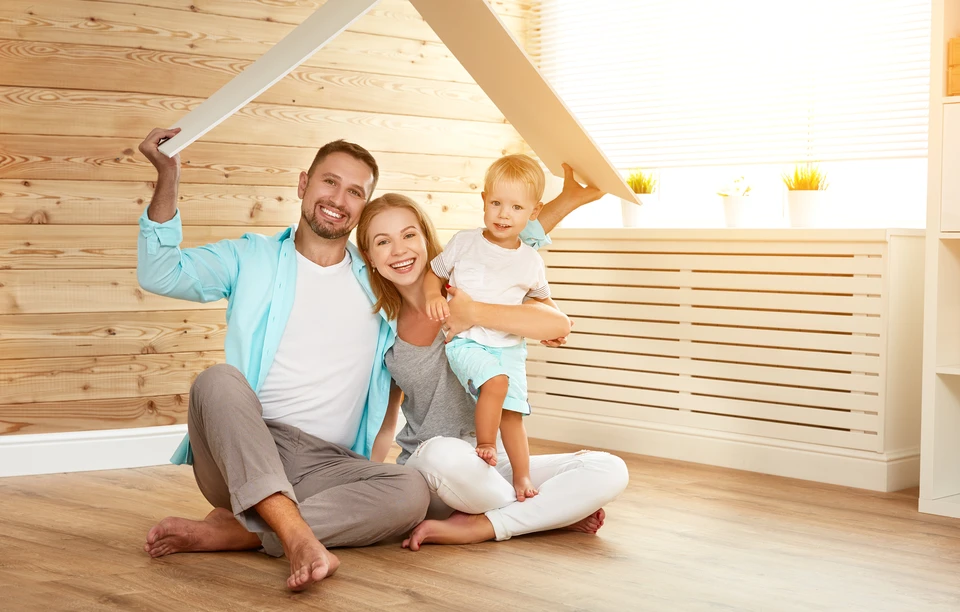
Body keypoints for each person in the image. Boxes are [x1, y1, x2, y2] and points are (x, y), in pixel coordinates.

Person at [133, 127, 609, 590]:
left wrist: (520, 307)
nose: (339, 199)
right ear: (304, 184)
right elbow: (161, 272)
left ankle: (244, 531)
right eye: (329, 182)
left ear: (363, 211)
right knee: (216, 381)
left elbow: (503, 248)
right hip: (248, 449)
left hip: (333, 468)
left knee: (409, 491)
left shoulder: (384, 282)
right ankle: (294, 535)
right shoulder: (251, 258)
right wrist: (168, 175)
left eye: (354, 192)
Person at [357, 192, 630, 550]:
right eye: (383, 242)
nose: (399, 250)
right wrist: (367, 479)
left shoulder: (473, 285)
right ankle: (546, 515)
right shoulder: (382, 328)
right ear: (370, 258)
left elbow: (557, 324)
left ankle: (484, 524)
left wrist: (472, 313)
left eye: (408, 235)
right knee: (444, 453)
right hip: (435, 470)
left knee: (608, 470)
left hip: (495, 462)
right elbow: (385, 421)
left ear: (426, 238)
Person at [424, 154, 553, 502]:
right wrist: (432, 296)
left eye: (515, 207)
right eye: (496, 203)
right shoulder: (464, 243)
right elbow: (434, 273)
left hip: (510, 347)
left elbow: (543, 301)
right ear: (483, 200)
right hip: (467, 342)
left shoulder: (531, 260)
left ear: (534, 212)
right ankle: (485, 444)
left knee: (513, 415)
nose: (503, 214)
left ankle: (522, 478)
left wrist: (553, 327)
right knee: (495, 383)